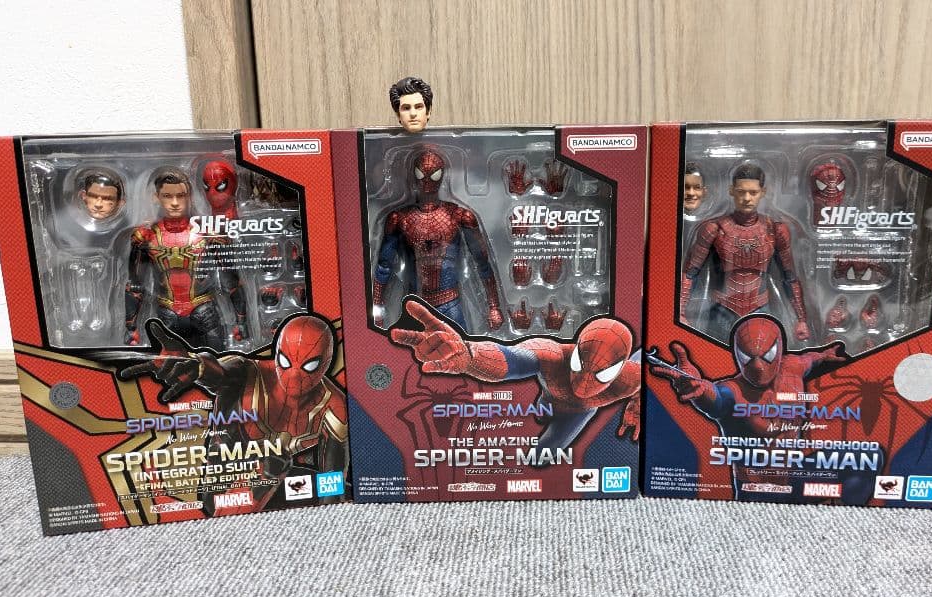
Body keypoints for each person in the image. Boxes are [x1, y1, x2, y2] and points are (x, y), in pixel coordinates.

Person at [120, 315, 349, 512]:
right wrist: (197, 366)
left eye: (309, 366)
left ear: (325, 363)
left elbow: (333, 479)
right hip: (223, 484)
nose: (294, 377)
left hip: (278, 483)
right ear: (277, 353)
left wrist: (329, 515)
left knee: (343, 490)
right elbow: (221, 372)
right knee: (274, 462)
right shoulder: (248, 372)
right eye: (285, 361)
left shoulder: (333, 405)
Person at [390, 300, 640, 452]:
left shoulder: (631, 378)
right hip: (549, 398)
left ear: (618, 368)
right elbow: (512, 360)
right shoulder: (553, 355)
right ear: (575, 349)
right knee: (542, 416)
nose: (584, 382)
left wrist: (639, 405)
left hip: (580, 412)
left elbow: (645, 370)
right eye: (579, 363)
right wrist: (470, 356)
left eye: (602, 373)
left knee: (545, 453)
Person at [649, 316, 843, 502]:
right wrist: (699, 389)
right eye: (747, 357)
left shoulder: (793, 366)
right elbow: (717, 399)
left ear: (779, 348)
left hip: (793, 475)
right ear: (737, 353)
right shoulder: (734, 391)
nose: (758, 366)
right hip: (754, 487)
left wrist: (824, 355)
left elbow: (809, 359)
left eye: (767, 356)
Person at [372, 149, 503, 332]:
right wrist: (377, 308)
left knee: (460, 348)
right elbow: (384, 266)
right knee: (409, 349)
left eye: (433, 175)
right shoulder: (400, 218)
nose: (426, 181)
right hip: (416, 304)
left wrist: (494, 307)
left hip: (450, 303)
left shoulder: (458, 216)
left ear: (442, 175)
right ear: (413, 176)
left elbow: (482, 263)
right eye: (421, 174)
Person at [679, 162, 811, 341]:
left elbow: (790, 277)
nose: (747, 198)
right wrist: (680, 313)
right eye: (741, 192)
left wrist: (801, 319)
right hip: (722, 308)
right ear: (731, 191)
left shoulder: (775, 229)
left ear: (763, 192)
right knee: (715, 353)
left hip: (760, 307)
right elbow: (690, 273)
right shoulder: (714, 228)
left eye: (753, 192)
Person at [124, 167, 247, 350]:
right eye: (167, 196)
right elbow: (135, 286)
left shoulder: (208, 232)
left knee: (218, 362)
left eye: (180, 196)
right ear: (156, 197)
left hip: (204, 311)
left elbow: (232, 280)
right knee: (166, 364)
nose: (175, 203)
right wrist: (130, 327)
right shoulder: (146, 236)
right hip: (167, 313)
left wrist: (241, 321)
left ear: (189, 197)